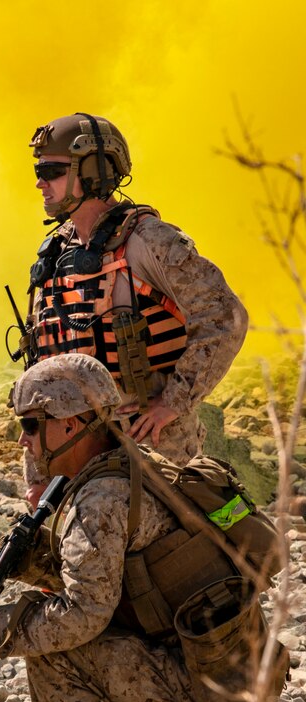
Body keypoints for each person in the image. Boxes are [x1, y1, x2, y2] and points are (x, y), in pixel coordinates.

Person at [0, 354, 302, 702]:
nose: (22, 439)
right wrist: (34, 564)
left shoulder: (101, 497)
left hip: (206, 692)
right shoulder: (133, 465)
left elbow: (84, 616)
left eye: (30, 424)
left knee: (50, 650)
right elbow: (126, 593)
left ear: (71, 423)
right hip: (227, 678)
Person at [19, 113, 248, 505]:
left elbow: (225, 317)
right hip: (71, 448)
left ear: (92, 172)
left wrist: (174, 403)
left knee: (162, 557)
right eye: (39, 170)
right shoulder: (56, 254)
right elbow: (42, 368)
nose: (40, 182)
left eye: (52, 171)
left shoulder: (149, 242)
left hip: (150, 443)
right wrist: (38, 469)